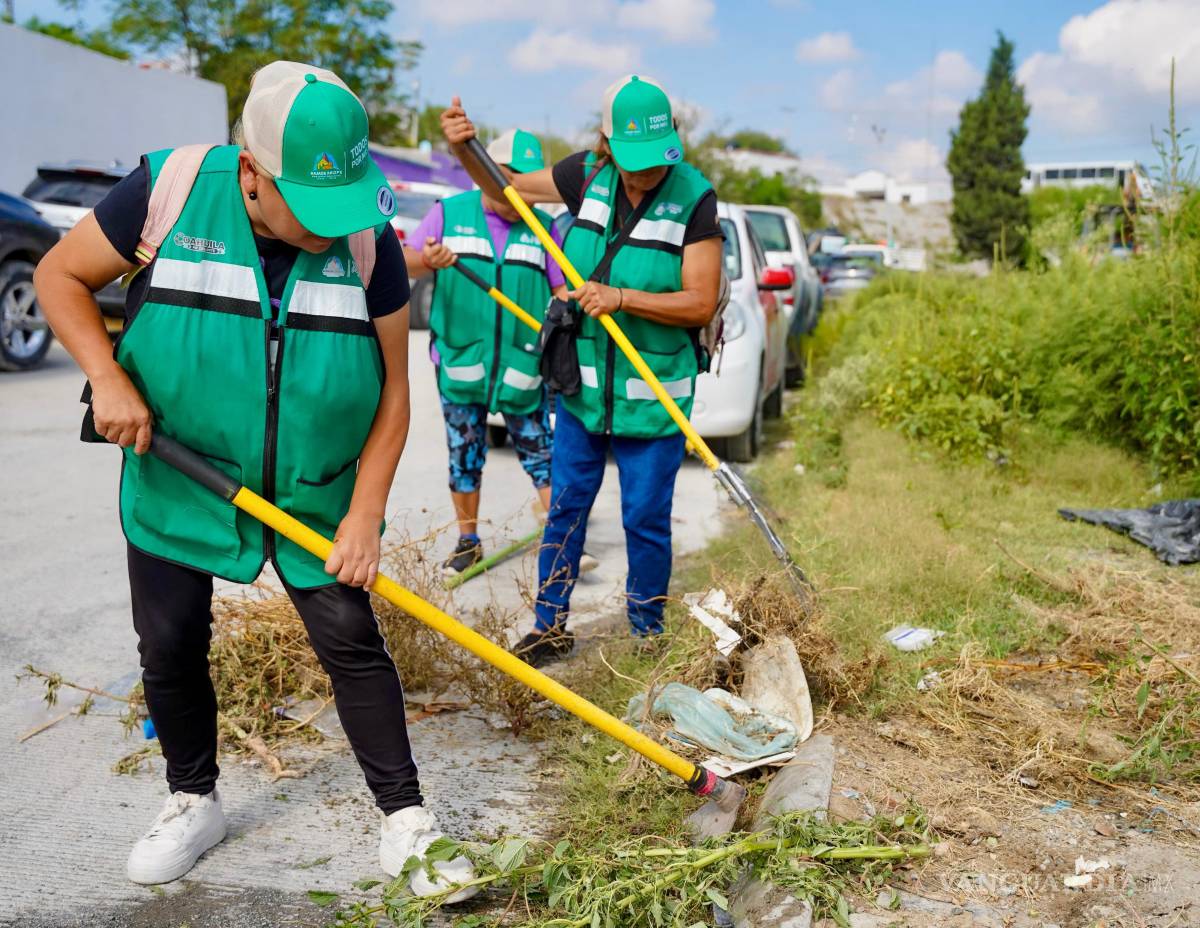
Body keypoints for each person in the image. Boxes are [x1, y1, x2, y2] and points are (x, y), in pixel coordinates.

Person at [34, 61, 478, 900]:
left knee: (352, 638)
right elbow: (58, 277)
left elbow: (393, 391)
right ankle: (192, 798)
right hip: (182, 472)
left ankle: (405, 820)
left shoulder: (365, 237)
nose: (325, 229)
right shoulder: (165, 190)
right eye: (308, 209)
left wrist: (368, 514)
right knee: (168, 643)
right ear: (251, 172)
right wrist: (111, 377)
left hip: (315, 485)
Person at [441, 75, 723, 667]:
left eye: (657, 158)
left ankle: (648, 634)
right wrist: (464, 150)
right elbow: (508, 189)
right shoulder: (586, 175)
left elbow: (700, 301)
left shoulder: (695, 199)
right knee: (566, 507)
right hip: (582, 392)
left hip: (653, 400)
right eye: (633, 159)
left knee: (644, 518)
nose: (645, 172)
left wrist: (620, 297)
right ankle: (550, 625)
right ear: (606, 141)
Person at [402, 129, 583, 576]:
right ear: (485, 173)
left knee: (543, 454)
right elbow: (405, 260)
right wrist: (428, 259)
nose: (515, 190)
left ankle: (561, 542)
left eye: (525, 180)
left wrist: (571, 304)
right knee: (464, 456)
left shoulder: (542, 229)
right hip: (463, 360)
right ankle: (468, 540)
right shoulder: (449, 213)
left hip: (522, 367)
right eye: (506, 177)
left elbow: (562, 289)